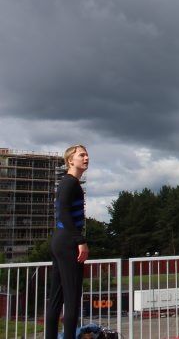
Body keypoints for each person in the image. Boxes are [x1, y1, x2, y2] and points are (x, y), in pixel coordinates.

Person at [45, 144, 90, 339]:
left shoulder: (69, 183)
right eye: (82, 155)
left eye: (87, 154)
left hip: (60, 241)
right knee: (71, 299)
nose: (86, 157)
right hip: (67, 242)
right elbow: (63, 211)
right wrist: (80, 240)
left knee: (56, 298)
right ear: (70, 160)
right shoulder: (70, 182)